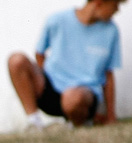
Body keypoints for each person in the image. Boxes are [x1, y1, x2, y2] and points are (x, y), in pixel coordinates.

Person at [8, 0, 125, 129]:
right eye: (115, 5)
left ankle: (77, 124)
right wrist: (45, 78)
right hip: (52, 89)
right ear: (99, 3)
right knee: (16, 60)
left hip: (82, 95)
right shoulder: (57, 20)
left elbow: (108, 74)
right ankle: (34, 122)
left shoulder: (111, 31)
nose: (117, 11)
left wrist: (110, 115)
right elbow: (39, 53)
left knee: (73, 97)